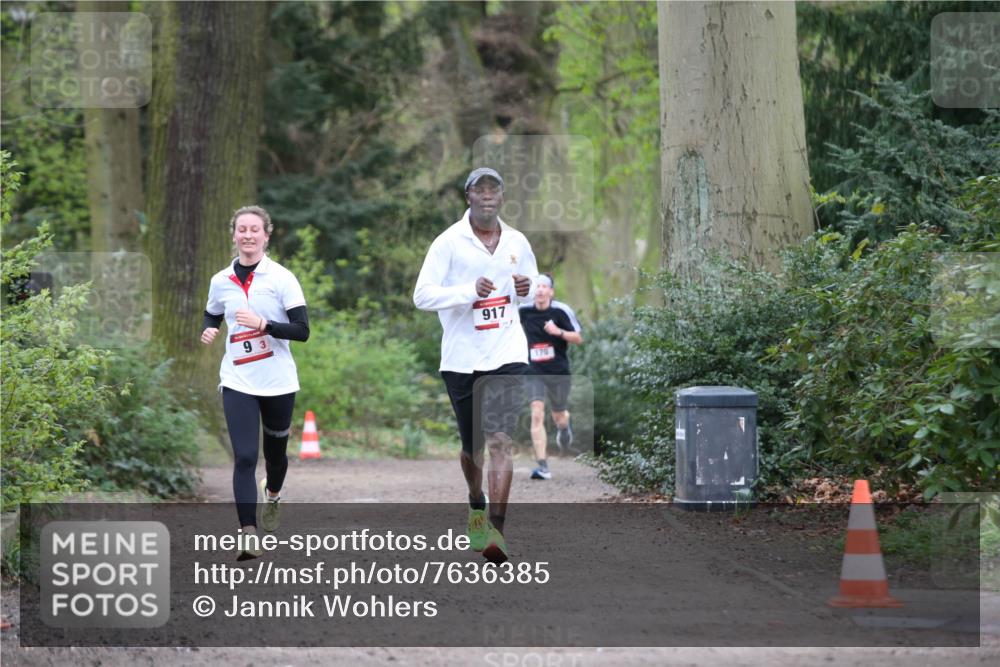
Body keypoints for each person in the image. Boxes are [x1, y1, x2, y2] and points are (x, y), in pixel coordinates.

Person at [413, 167, 538, 564]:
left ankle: (496, 535)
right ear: (467, 196)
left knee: (500, 440)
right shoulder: (448, 243)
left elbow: (533, 284)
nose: (487, 196)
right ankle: (475, 500)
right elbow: (422, 296)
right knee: (473, 449)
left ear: (502, 197)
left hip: (507, 353)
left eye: (494, 189)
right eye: (479, 189)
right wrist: (469, 291)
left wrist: (527, 288)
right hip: (463, 357)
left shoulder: (517, 241)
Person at [201, 205, 309, 560]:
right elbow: (213, 310)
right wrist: (211, 327)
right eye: (242, 229)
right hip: (237, 379)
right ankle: (248, 533)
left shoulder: (281, 278)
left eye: (255, 229)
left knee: (275, 455)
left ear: (266, 235)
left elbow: (302, 331)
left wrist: (264, 325)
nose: (248, 235)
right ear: (234, 235)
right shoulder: (221, 281)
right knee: (245, 456)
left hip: (277, 381)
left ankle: (273, 493)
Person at [519, 273, 584, 480]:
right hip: (534, 371)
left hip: (558, 371)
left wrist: (558, 332)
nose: (539, 290)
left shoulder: (561, 310)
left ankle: (564, 428)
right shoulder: (523, 311)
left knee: (559, 415)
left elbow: (578, 337)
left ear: (551, 292)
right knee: (537, 412)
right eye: (536, 286)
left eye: (544, 286)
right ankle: (543, 466)